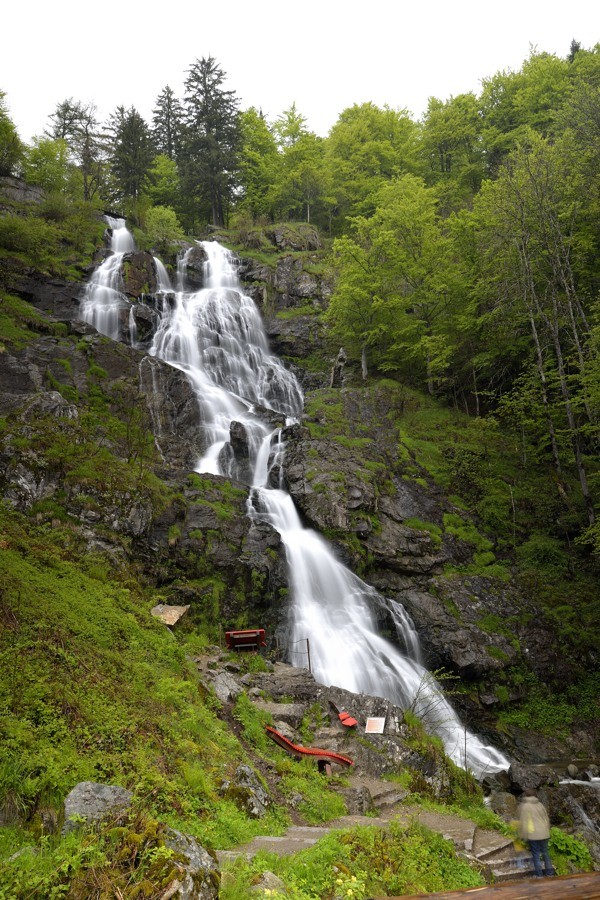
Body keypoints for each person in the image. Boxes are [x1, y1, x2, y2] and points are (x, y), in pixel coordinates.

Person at [518, 788, 556, 878]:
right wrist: (547, 830)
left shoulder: (525, 806)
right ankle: (549, 873)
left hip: (533, 834)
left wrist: (523, 835)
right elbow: (546, 819)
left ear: (526, 796)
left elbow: (524, 822)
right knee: (545, 853)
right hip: (544, 833)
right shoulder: (540, 804)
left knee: (536, 854)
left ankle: (539, 875)